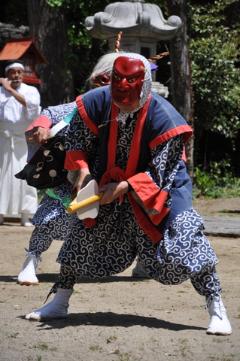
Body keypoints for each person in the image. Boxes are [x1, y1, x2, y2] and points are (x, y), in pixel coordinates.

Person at [25, 52, 232, 336]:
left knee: (185, 237)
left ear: (145, 90)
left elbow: (162, 173)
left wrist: (124, 187)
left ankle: (215, 305)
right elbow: (77, 140)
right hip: (106, 181)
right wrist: (82, 172)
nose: (123, 106)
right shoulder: (97, 100)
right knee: (83, 230)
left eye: (130, 101)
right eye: (118, 99)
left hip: (161, 188)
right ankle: (60, 300)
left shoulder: (165, 117)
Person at [17, 52, 121, 285]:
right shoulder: (81, 106)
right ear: (97, 82)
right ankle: (32, 258)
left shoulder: (130, 110)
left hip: (111, 178)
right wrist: (42, 126)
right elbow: (50, 114)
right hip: (70, 175)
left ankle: (142, 262)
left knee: (131, 218)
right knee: (51, 218)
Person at [0, 62, 40, 226]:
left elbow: (33, 109)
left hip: (24, 142)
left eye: (19, 72)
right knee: (2, 176)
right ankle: (0, 214)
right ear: (7, 75)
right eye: (12, 72)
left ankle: (26, 215)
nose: (16, 75)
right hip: (3, 140)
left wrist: (10, 90)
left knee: (25, 178)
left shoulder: (31, 91)